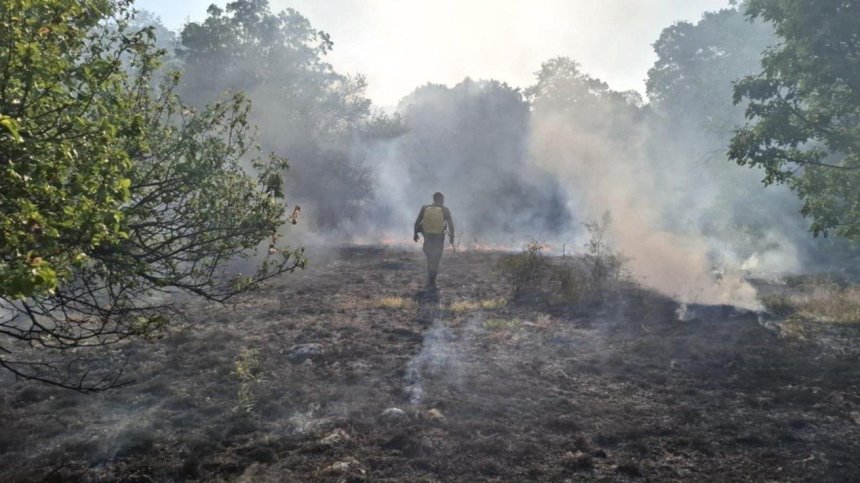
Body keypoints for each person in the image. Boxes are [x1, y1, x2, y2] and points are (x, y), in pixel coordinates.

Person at [414, 192, 455, 288]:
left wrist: (415, 234)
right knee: (436, 259)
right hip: (439, 239)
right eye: (443, 199)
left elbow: (417, 222)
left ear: (433, 199)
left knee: (429, 258)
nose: (444, 201)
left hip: (427, 237)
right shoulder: (445, 210)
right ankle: (432, 279)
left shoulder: (425, 208)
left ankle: (430, 277)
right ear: (441, 199)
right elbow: (451, 225)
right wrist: (452, 238)